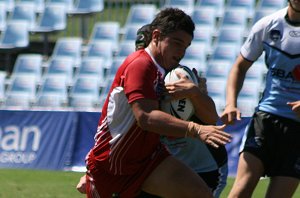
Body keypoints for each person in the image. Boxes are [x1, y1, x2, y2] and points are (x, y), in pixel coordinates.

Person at [82, 8, 232, 198]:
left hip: (150, 159)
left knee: (199, 193)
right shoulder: (140, 64)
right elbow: (145, 117)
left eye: (186, 46)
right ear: (156, 36)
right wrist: (196, 129)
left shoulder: (175, 75)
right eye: (177, 43)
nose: (181, 52)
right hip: (114, 166)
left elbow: (211, 119)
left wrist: (196, 94)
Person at [135, 23, 229, 198]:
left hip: (205, 168)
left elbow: (210, 118)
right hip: (166, 167)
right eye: (138, 50)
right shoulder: (137, 78)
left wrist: (195, 92)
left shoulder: (179, 76)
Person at [221, 1, 300, 197]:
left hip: (298, 130)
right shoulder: (267, 25)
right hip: (265, 120)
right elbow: (239, 67)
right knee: (241, 190)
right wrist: (231, 103)